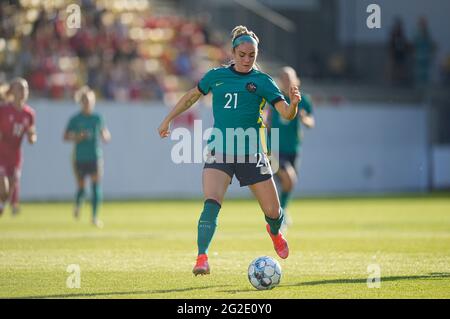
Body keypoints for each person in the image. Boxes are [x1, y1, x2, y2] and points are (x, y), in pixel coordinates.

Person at [158, 25, 301, 276]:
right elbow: (192, 96)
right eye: (242, 54)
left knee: (273, 212)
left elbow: (285, 113)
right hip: (220, 150)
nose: (247, 60)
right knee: (211, 203)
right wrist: (168, 118)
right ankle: (202, 258)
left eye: (252, 56)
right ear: (233, 52)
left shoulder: (263, 81)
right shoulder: (216, 76)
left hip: (252, 152)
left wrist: (294, 104)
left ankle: (275, 232)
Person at [267, 67, 315, 229]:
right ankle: (279, 214)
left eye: (289, 78)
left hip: (293, 149)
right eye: (283, 78)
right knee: (289, 179)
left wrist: (305, 119)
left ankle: (280, 212)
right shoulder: (274, 99)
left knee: (289, 184)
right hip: (275, 149)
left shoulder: (303, 100)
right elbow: (266, 122)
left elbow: (310, 121)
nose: (286, 81)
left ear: (296, 80)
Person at [64, 86, 111, 228]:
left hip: (95, 156)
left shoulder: (97, 118)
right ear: (80, 102)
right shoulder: (75, 119)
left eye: (90, 101)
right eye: (84, 101)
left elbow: (105, 133)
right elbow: (66, 136)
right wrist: (77, 136)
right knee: (82, 187)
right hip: (79, 157)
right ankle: (78, 205)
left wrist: (106, 136)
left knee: (96, 184)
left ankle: (94, 217)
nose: (87, 103)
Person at [0, 78, 37, 216]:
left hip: (15, 156)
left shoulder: (29, 114)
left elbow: (31, 134)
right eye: (20, 88)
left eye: (25, 88)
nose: (23, 91)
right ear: (13, 91)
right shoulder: (3, 109)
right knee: (3, 187)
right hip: (1, 153)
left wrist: (32, 137)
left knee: (7, 193)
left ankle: (2, 206)